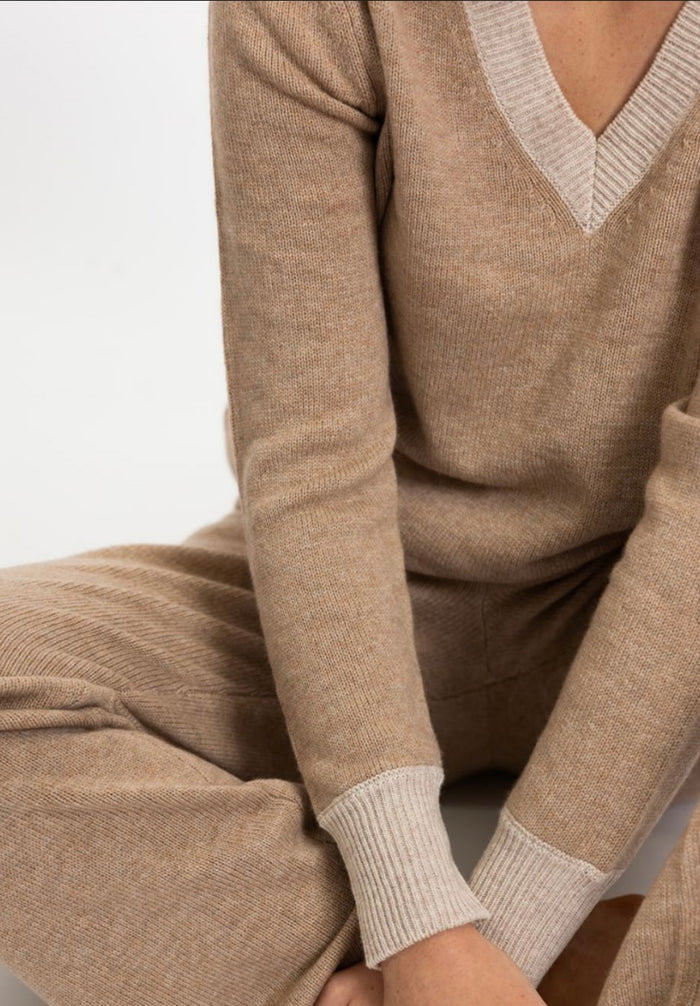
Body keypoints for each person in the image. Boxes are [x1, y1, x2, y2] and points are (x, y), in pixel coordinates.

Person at [1, 1, 699, 1004]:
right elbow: (313, 455)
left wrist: (517, 932)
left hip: (666, 650)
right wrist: (422, 929)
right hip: (355, 607)